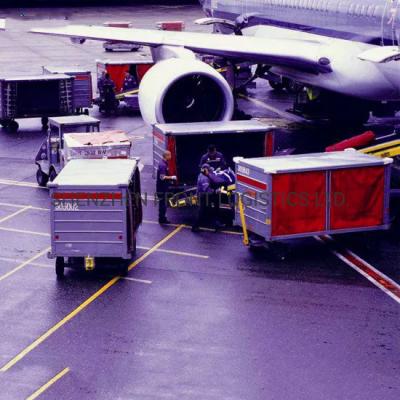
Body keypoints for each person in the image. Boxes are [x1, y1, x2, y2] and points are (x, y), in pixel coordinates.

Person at [192, 164, 223, 232]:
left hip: (204, 196)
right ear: (205, 170)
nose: (210, 171)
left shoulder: (202, 174)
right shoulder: (204, 179)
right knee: (201, 212)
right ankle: (195, 227)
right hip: (204, 196)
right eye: (208, 170)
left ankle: (215, 225)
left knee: (209, 210)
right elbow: (206, 190)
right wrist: (215, 191)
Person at [156, 150, 177, 224]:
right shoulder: (163, 165)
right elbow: (162, 177)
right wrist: (172, 177)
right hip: (161, 189)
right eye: (170, 155)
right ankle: (162, 219)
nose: (171, 157)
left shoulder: (164, 163)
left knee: (163, 204)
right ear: (166, 156)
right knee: (163, 205)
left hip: (163, 188)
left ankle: (162, 218)